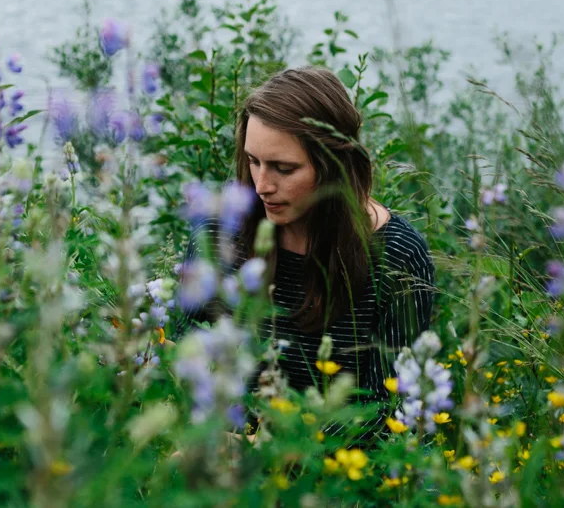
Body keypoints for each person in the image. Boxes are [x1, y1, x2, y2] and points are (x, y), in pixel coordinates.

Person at [175, 66, 435, 437]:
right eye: (253, 161)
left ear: (334, 167)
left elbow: (386, 408)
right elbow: (184, 345)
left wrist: (266, 453)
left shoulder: (397, 256)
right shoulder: (220, 227)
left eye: (284, 168)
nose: (262, 185)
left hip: (338, 477)